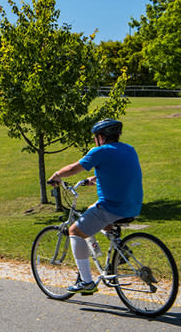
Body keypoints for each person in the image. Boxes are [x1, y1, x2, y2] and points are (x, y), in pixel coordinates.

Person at [47, 119, 143, 295]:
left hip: (112, 207)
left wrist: (56, 176)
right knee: (94, 212)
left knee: (75, 230)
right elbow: (121, 172)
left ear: (100, 137)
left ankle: (86, 282)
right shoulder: (129, 149)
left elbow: (74, 168)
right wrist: (96, 178)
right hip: (133, 206)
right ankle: (120, 248)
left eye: (94, 137)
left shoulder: (100, 151)